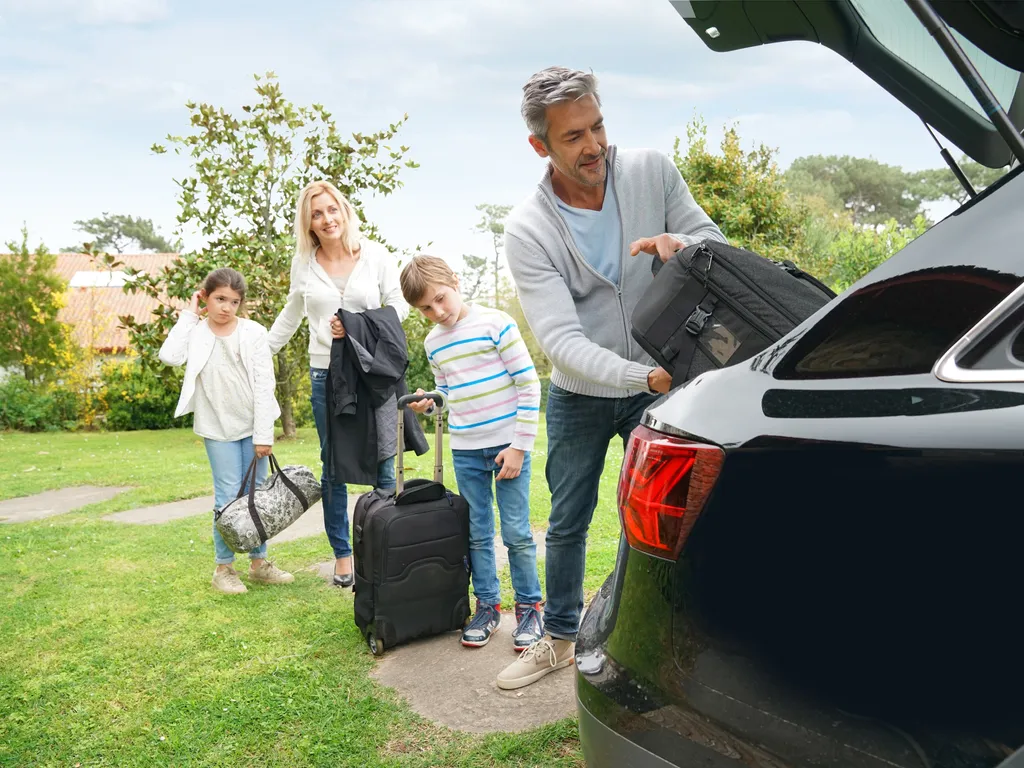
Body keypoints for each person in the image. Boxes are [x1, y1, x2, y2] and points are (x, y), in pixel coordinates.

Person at [496, 66, 727, 689]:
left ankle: (660, 629)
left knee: (664, 514)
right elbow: (562, 344)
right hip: (584, 393)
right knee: (568, 520)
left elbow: (714, 241)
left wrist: (679, 245)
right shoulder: (527, 230)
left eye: (597, 125)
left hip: (661, 379)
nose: (593, 144)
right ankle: (559, 639)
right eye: (573, 136)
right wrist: (641, 377)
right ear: (540, 146)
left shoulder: (651, 170)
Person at [268, 180, 410, 588]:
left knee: (385, 461)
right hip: (325, 374)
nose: (327, 219)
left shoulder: (375, 254)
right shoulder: (304, 263)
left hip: (373, 373)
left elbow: (398, 304)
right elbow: (291, 315)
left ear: (344, 212)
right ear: (308, 223)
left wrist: (357, 325)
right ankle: (344, 556)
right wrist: (256, 351)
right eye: (317, 213)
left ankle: (382, 547)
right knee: (334, 466)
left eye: (332, 209)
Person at [399, 254, 544, 652]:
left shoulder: (496, 323)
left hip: (507, 449)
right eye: (425, 308)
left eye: (441, 299)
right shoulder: (433, 342)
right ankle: (488, 606)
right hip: (465, 449)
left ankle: (531, 608)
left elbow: (529, 386)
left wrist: (519, 447)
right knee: (477, 533)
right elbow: (447, 394)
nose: (438, 312)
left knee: (515, 532)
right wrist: (430, 404)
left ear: (455, 282)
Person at [159, 267, 294, 595]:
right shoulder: (195, 332)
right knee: (228, 497)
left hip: (253, 427)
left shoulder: (254, 333)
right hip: (216, 427)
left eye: (234, 302)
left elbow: (265, 385)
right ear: (205, 297)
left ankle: (259, 563)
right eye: (219, 299)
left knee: (258, 494)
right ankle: (224, 568)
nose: (226, 307)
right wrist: (189, 316)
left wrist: (264, 434)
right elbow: (169, 356)